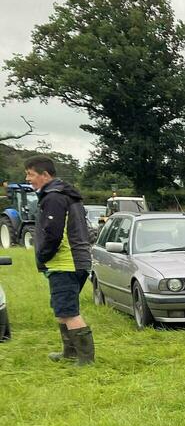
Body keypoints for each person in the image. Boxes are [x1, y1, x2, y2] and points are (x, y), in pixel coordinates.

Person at [25, 156, 93, 364]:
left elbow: (53, 234)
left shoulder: (54, 198)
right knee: (62, 309)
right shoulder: (66, 195)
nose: (27, 179)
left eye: (30, 174)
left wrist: (43, 255)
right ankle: (69, 353)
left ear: (45, 175)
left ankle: (85, 359)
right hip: (74, 261)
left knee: (69, 311)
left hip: (66, 262)